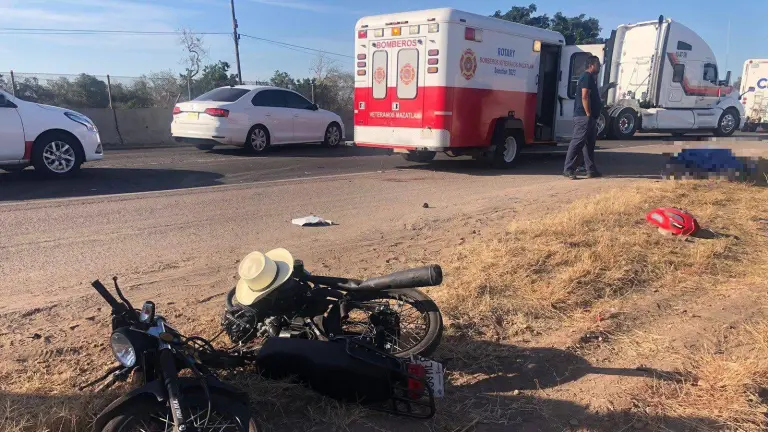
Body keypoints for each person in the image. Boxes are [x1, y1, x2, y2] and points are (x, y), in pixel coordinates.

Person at [564, 55, 602, 179]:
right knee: (578, 142)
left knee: (589, 144)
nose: (599, 66)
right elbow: (584, 96)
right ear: (591, 65)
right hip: (583, 116)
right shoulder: (586, 77)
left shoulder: (591, 78)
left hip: (590, 117)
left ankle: (590, 170)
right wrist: (588, 114)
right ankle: (568, 169)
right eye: (598, 64)